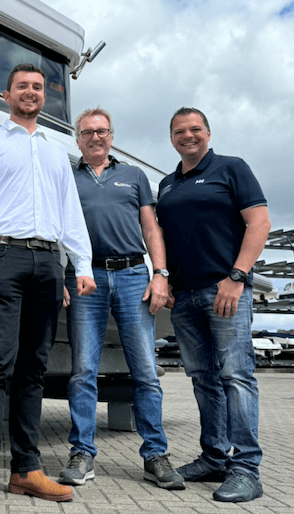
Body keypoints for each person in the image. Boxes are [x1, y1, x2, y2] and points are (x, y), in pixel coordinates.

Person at [0, 63, 96, 513]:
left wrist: (81, 264)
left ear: (44, 96)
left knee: (34, 368)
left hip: (48, 263)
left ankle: (26, 470)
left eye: (38, 87)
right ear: (7, 94)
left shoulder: (58, 153)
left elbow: (69, 211)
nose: (31, 93)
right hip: (0, 255)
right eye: (23, 87)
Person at [57, 108, 184, 491]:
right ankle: (82, 453)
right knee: (83, 371)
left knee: (145, 370)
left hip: (132, 275)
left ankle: (155, 456)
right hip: (83, 276)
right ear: (77, 139)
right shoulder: (66, 176)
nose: (95, 137)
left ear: (111, 136)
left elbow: (151, 227)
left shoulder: (134, 176)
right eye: (87, 132)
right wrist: (56, 276)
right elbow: (54, 227)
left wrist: (160, 275)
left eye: (102, 131)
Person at [155, 107, 271, 503]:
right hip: (185, 297)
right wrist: (167, 279)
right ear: (171, 138)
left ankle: (246, 468)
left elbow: (259, 223)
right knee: (203, 379)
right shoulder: (167, 185)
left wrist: (237, 278)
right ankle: (214, 457)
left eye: (195, 129)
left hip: (225, 290)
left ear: (207, 132)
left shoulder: (231, 168)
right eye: (179, 131)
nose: (187, 136)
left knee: (236, 377)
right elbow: (166, 238)